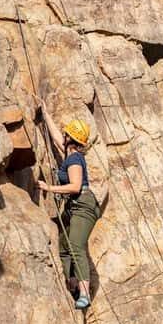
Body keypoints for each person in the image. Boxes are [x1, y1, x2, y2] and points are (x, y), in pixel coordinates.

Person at [37, 103, 100, 310]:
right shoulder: (70, 153)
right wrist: (45, 113)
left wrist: (49, 187)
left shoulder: (74, 159)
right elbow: (57, 138)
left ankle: (84, 294)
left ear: (70, 139)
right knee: (64, 246)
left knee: (75, 245)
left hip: (83, 205)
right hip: (75, 206)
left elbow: (74, 186)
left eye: (66, 134)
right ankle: (72, 282)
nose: (63, 136)